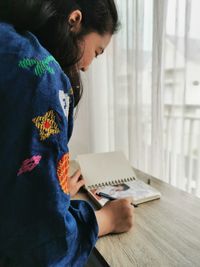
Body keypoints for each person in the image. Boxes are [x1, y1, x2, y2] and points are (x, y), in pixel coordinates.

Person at [0, 1, 135, 266]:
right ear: (74, 20)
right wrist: (105, 220)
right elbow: (41, 243)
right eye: (96, 52)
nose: (86, 67)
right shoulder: (40, 77)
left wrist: (52, 189)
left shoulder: (8, 41)